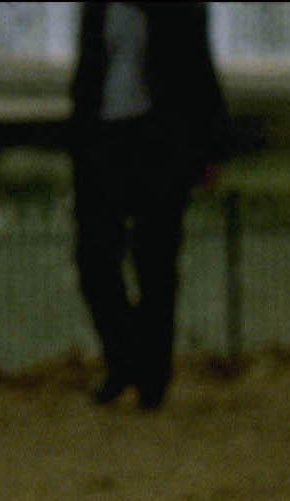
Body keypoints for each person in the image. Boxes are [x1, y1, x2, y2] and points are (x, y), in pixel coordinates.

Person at [69, 1, 229, 411]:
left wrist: (210, 151)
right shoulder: (98, 8)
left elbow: (199, 70)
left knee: (155, 266)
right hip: (104, 140)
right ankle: (125, 362)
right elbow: (88, 72)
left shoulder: (178, 9)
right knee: (94, 260)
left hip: (158, 144)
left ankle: (151, 380)